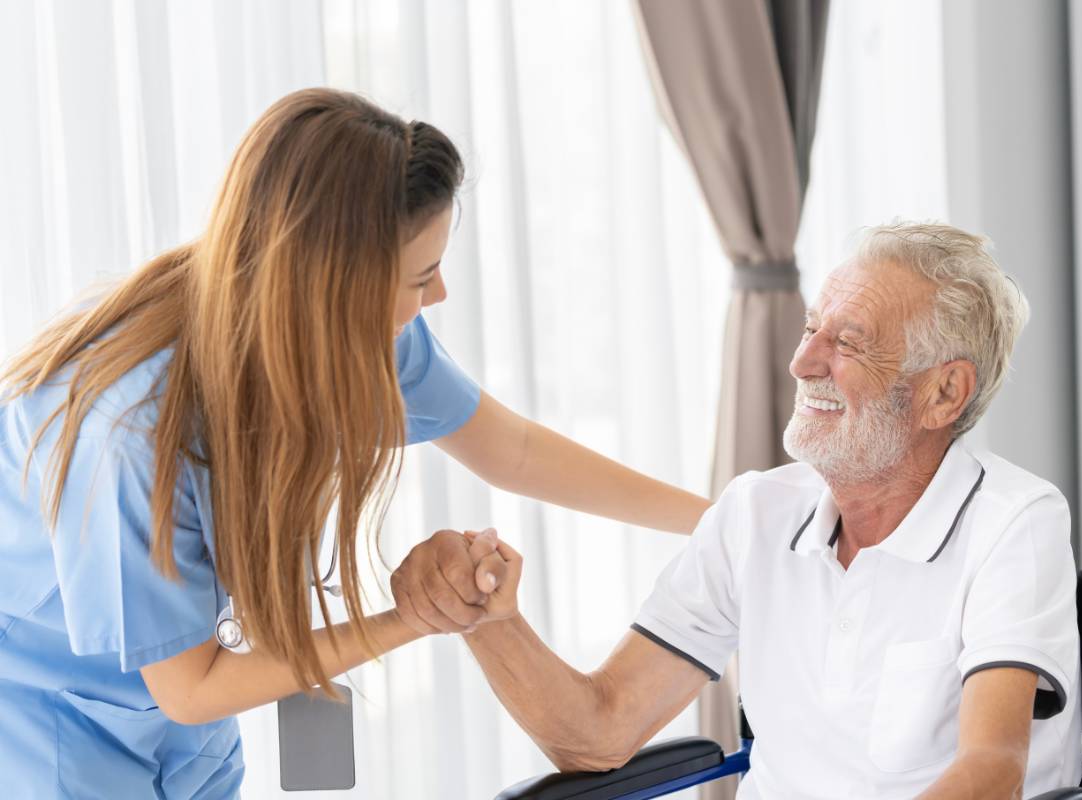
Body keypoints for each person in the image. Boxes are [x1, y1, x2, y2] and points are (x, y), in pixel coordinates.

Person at [0, 87, 709, 799]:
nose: (438, 298)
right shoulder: (131, 432)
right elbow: (191, 689)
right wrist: (411, 616)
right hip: (48, 718)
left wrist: (725, 519)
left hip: (183, 715)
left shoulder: (360, 337)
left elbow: (512, 450)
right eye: (421, 277)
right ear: (334, 285)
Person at [422, 222, 1082, 799]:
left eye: (847, 343)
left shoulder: (1014, 521)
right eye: (810, 328)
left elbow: (994, 770)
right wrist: (492, 622)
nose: (801, 362)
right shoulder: (753, 512)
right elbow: (598, 734)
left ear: (943, 393)